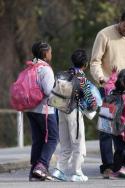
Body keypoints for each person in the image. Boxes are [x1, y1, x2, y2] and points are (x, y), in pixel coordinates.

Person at [90, 10, 125, 178]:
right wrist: (101, 78)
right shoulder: (104, 34)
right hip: (109, 90)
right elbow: (95, 62)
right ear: (119, 21)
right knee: (107, 129)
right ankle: (108, 166)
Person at [52, 49, 97, 182]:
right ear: (85, 64)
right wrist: (93, 106)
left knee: (65, 144)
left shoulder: (64, 74)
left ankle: (59, 171)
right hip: (74, 113)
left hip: (61, 111)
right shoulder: (81, 78)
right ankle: (77, 172)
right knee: (78, 143)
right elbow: (90, 99)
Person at [27, 41, 59, 181]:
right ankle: (42, 166)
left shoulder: (31, 66)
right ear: (46, 54)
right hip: (44, 110)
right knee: (52, 138)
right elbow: (47, 91)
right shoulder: (45, 69)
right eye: (50, 52)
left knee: (38, 140)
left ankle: (34, 172)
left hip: (31, 109)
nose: (51, 54)